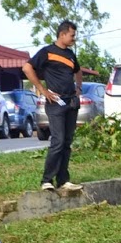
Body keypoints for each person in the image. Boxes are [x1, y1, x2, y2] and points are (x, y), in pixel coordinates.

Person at [22, 21, 83, 192]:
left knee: (67, 142)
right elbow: (27, 68)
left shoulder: (70, 54)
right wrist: (42, 90)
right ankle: (46, 180)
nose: (74, 38)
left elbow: (78, 71)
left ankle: (63, 180)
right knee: (58, 141)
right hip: (55, 104)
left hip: (71, 102)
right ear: (62, 34)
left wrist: (78, 88)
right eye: (72, 35)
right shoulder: (47, 52)